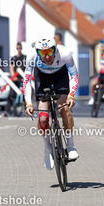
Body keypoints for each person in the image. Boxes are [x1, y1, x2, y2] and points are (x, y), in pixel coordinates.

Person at [23, 38, 79, 170]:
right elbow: (26, 82)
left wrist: (71, 96)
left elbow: (74, 76)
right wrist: (28, 104)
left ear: (55, 49)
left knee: (64, 109)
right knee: (43, 118)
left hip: (60, 77)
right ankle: (48, 149)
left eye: (49, 51)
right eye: (42, 53)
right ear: (37, 52)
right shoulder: (31, 57)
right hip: (41, 79)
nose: (47, 56)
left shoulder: (65, 54)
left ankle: (70, 146)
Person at [0, 43, 27, 117]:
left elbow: (28, 68)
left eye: (20, 48)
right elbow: (11, 68)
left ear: (21, 48)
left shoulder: (25, 58)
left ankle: (27, 111)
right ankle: (6, 111)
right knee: (11, 95)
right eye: (17, 48)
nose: (19, 50)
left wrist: (25, 77)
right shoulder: (13, 58)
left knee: (26, 95)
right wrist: (13, 76)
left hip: (23, 79)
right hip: (15, 79)